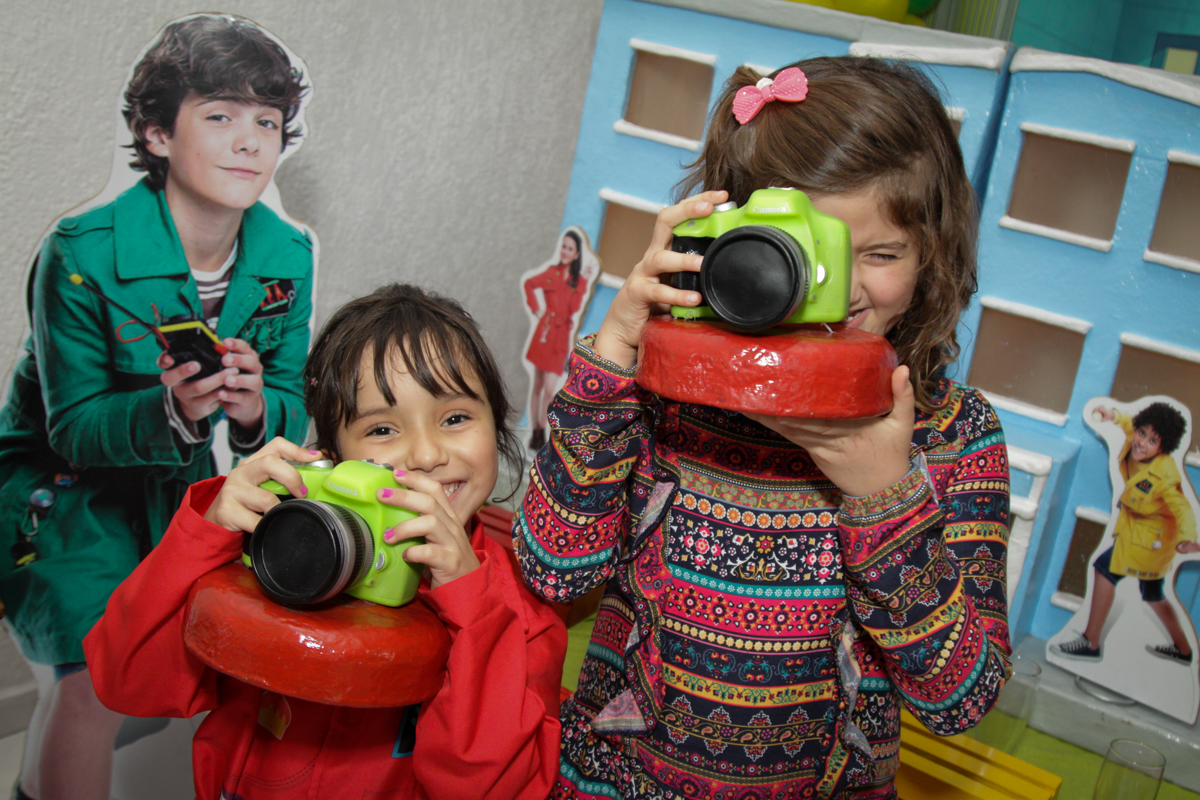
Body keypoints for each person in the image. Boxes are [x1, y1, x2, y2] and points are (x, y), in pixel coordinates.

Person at [516, 57, 1011, 799]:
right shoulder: (662, 394)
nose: (839, 291)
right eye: (811, 253)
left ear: (931, 257)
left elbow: (960, 699)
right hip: (617, 781)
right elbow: (555, 568)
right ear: (725, 242)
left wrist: (884, 499)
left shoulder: (950, 435)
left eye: (878, 254)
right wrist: (614, 354)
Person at [83, 283, 567, 800]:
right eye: (382, 429)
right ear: (332, 456)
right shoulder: (278, 555)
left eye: (454, 418)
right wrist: (208, 532)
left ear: (496, 425)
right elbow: (127, 679)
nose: (426, 454)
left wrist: (471, 603)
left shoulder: (522, 615)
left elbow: (491, 790)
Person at [0, 15, 313, 800]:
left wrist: (250, 411)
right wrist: (172, 413)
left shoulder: (287, 255)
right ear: (157, 134)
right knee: (90, 680)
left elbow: (291, 401)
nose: (249, 141)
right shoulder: (80, 250)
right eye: (220, 116)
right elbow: (70, 426)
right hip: (57, 491)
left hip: (172, 489)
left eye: (267, 123)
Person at [1052, 401, 1199, 665]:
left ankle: (1091, 642)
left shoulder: (1166, 474)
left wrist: (1190, 538)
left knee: (1103, 568)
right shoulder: (1136, 439)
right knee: (1153, 594)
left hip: (1150, 540)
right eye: (1142, 433)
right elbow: (1129, 420)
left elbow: (1183, 507)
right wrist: (1113, 415)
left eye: (1152, 440)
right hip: (1138, 533)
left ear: (1163, 448)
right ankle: (1184, 650)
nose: (1142, 442)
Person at [523, 229, 591, 450]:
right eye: (564, 246)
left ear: (577, 254)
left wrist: (584, 283)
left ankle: (541, 429)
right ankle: (536, 432)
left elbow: (574, 308)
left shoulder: (578, 281)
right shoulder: (551, 272)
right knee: (538, 384)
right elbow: (529, 284)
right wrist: (537, 310)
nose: (565, 251)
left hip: (561, 337)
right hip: (545, 332)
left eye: (570, 248)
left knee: (550, 389)